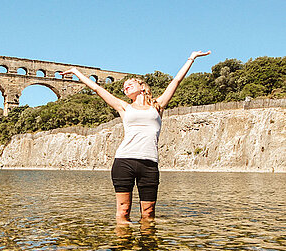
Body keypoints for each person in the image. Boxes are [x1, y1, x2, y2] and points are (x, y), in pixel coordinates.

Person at [61, 51, 211, 224]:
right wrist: (76, 71)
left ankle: (146, 249)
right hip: (124, 161)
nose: (125, 87)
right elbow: (96, 88)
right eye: (124, 87)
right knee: (123, 211)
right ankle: (123, 248)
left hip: (149, 163)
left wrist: (191, 58)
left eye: (129, 83)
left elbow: (176, 81)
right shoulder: (124, 107)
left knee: (148, 213)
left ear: (142, 86)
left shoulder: (158, 106)